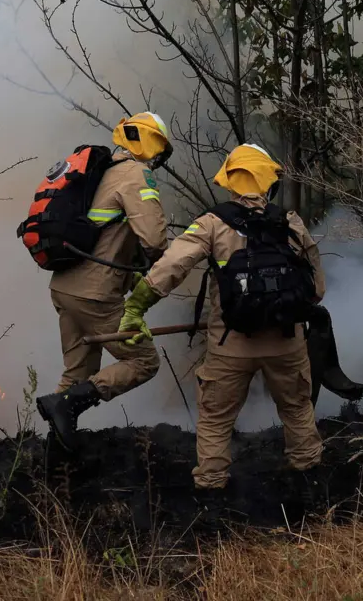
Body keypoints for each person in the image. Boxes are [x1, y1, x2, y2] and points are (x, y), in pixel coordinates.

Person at [120, 144, 326, 512]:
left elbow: (170, 267)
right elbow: (317, 290)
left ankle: (212, 497)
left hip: (231, 345)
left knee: (215, 419)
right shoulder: (289, 222)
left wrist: (135, 308)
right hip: (286, 342)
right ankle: (307, 481)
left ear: (230, 182)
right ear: (268, 181)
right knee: (296, 408)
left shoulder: (212, 223)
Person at [34, 112, 171, 451]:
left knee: (76, 372)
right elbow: (154, 241)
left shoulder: (100, 173)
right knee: (143, 362)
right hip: (95, 295)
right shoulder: (137, 174)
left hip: (64, 289)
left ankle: (57, 456)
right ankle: (66, 405)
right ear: (154, 146)